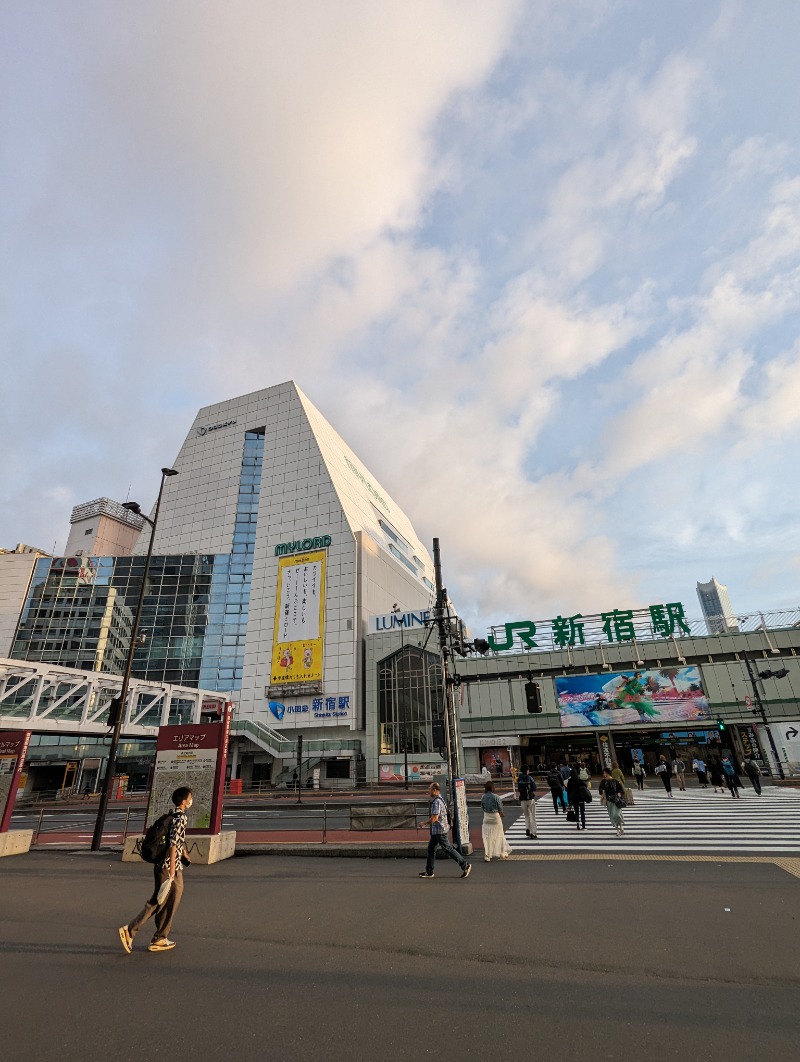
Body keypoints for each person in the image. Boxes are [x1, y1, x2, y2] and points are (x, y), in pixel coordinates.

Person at [118, 786, 193, 954]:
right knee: (165, 901)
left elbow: (177, 840)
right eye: (190, 797)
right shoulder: (181, 818)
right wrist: (173, 870)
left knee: (161, 901)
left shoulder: (172, 815)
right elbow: (174, 844)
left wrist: (185, 853)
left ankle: (158, 936)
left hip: (163, 864)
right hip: (169, 866)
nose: (191, 800)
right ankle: (135, 931)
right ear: (184, 801)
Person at [417, 782, 471, 879]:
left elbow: (435, 818)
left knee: (448, 849)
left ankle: (465, 865)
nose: (428, 791)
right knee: (431, 849)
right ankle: (429, 871)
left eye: (429, 789)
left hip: (440, 830)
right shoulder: (440, 799)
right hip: (438, 830)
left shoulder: (436, 802)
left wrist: (424, 823)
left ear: (434, 790)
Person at [480, 781, 512, 861]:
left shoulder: (483, 797)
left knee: (487, 837)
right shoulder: (496, 797)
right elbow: (500, 808)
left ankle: (487, 855)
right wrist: (502, 815)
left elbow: (482, 807)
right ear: (493, 788)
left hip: (486, 817)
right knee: (500, 834)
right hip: (495, 816)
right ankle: (502, 852)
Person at [599, 768, 626, 837]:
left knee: (617, 814)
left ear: (608, 773)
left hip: (616, 800)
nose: (604, 774)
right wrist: (602, 795)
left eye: (604, 773)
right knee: (613, 816)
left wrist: (619, 793)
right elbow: (600, 790)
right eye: (603, 773)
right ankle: (617, 830)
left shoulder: (615, 781)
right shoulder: (603, 782)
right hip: (609, 801)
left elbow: (621, 789)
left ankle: (621, 827)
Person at [516, 765, 538, 838]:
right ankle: (533, 832)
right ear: (527, 770)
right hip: (530, 799)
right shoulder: (530, 778)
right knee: (532, 815)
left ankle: (527, 828)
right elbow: (534, 788)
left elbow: (519, 789)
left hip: (523, 799)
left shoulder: (519, 779)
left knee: (526, 815)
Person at [566, 766, 588, 831]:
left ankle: (578, 824)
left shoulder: (569, 781)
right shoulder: (579, 780)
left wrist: (569, 800)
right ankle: (583, 826)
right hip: (580, 798)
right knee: (582, 812)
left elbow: (568, 791)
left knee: (577, 812)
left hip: (574, 799)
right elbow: (585, 785)